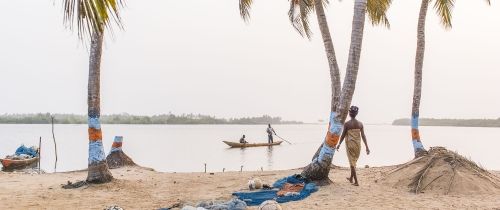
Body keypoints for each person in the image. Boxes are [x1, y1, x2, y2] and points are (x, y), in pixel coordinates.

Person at [336, 106, 370, 186]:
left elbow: (343, 135)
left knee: (352, 164)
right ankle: (351, 178)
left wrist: (339, 144)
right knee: (353, 162)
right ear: (357, 114)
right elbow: (363, 136)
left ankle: (356, 181)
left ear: (349, 114)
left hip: (350, 145)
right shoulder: (360, 124)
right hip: (358, 146)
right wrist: (367, 147)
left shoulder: (347, 124)